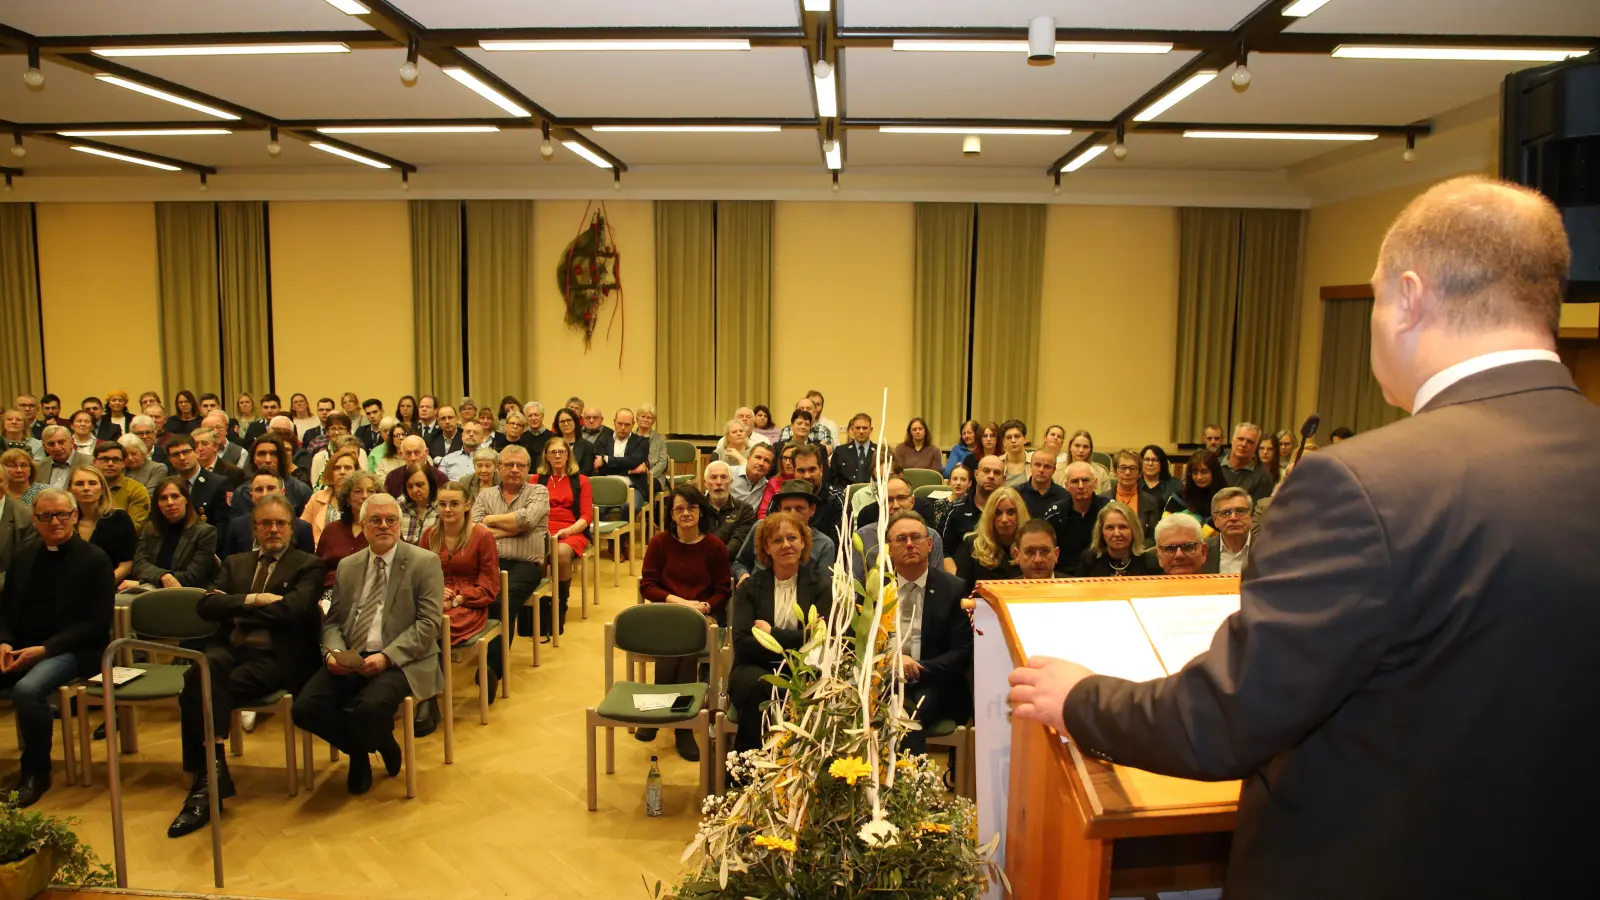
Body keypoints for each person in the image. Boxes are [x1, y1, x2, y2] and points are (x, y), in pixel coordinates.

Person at [166, 492, 325, 837]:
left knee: (199, 690)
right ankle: (214, 769)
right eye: (265, 523)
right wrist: (254, 598)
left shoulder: (307, 565)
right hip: (231, 648)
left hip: (276, 657)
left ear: (292, 528)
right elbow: (206, 606)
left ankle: (204, 785)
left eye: (280, 523)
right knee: (200, 675)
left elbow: (292, 611)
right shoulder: (236, 563)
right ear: (255, 527)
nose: (273, 530)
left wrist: (234, 605)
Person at [292, 492, 443, 796]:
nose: (384, 526)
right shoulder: (349, 566)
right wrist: (332, 653)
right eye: (375, 520)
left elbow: (428, 625)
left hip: (402, 658)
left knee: (368, 710)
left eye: (391, 520)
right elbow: (333, 621)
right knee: (304, 708)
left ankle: (368, 752)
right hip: (353, 654)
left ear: (400, 524)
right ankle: (366, 747)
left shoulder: (424, 562)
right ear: (363, 525)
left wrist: (387, 657)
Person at [0, 488, 114, 806]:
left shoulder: (95, 559)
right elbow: (5, 610)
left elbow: (95, 623)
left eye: (62, 514)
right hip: (22, 646)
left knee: (27, 691)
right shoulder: (24, 557)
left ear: (75, 516)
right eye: (45, 516)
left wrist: (45, 649)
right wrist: (4, 641)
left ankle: (36, 773)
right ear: (34, 520)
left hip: (74, 651)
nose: (54, 521)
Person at [637, 482, 731, 762]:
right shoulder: (659, 543)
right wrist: (682, 604)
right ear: (672, 514)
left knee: (686, 644)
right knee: (675, 642)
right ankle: (682, 726)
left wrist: (703, 607)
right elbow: (648, 586)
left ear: (700, 512)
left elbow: (723, 590)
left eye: (691, 508)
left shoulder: (714, 546)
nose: (685, 513)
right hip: (667, 614)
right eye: (679, 509)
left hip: (702, 617)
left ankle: (664, 719)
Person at [727, 510, 832, 753]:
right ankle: (748, 771)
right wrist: (799, 638)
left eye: (792, 538)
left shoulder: (820, 585)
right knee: (758, 688)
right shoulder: (750, 587)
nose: (786, 545)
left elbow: (820, 639)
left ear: (803, 542)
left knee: (811, 689)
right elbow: (743, 644)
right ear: (766, 547)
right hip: (755, 668)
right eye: (777, 540)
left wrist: (771, 633)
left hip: (806, 668)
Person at [883, 511, 972, 752]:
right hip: (883, 679)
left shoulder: (954, 589)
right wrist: (892, 662)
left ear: (930, 544)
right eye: (900, 539)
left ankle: (904, 784)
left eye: (916, 537)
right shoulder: (875, 591)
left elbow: (962, 652)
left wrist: (917, 668)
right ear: (889, 549)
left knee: (904, 717)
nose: (909, 544)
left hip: (935, 681)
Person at [421, 483, 502, 693]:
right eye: (442, 504)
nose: (447, 510)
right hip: (433, 600)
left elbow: (490, 585)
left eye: (454, 504)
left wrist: (457, 599)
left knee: (431, 627)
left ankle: (429, 695)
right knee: (405, 623)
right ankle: (417, 692)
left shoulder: (482, 537)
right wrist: (435, 595)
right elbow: (418, 575)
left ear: (467, 505)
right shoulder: (429, 535)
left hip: (469, 605)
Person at [471, 444, 548, 655]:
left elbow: (528, 519)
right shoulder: (485, 495)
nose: (514, 469)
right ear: (498, 468)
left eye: (520, 465)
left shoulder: (539, 491)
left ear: (527, 469)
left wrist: (490, 520)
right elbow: (475, 529)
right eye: (509, 464)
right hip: (488, 562)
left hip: (526, 565)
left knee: (501, 603)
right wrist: (515, 530)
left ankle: (492, 668)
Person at [532, 438, 591, 638]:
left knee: (560, 553)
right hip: (540, 530)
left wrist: (570, 530)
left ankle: (560, 602)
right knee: (533, 555)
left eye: (561, 452)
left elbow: (586, 516)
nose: (557, 456)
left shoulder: (581, 480)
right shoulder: (535, 480)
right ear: (546, 456)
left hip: (571, 531)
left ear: (568, 455)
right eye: (553, 452)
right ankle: (537, 605)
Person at [123, 477, 219, 591]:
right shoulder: (150, 528)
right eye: (163, 498)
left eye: (175, 496)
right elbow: (139, 564)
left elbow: (192, 576)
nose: (170, 503)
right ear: (157, 504)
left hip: (189, 593)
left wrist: (149, 582)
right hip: (151, 592)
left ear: (186, 499)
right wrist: (164, 576)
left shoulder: (205, 532)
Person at [733, 481, 836, 584]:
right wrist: (744, 576)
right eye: (787, 509)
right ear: (779, 509)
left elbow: (823, 586)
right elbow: (739, 563)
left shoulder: (824, 544)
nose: (793, 514)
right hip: (757, 592)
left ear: (812, 509)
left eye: (799, 508)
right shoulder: (761, 528)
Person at [852, 474, 946, 585]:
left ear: (912, 501)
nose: (896, 505)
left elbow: (938, 583)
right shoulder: (863, 536)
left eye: (901, 498)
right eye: (889, 500)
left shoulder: (931, 536)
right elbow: (855, 584)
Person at [315, 472, 380, 606]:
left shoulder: (385, 530)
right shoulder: (332, 530)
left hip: (370, 595)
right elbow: (318, 570)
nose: (364, 496)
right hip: (331, 594)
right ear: (347, 498)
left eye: (371, 491)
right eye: (357, 491)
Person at [68, 465, 136, 583]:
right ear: (70, 490)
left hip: (112, 586)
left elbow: (127, 564)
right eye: (79, 484)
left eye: (92, 483)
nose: (86, 488)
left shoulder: (119, 519)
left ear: (102, 489)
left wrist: (102, 585)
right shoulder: (64, 521)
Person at [225, 470, 315, 559]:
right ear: (251, 495)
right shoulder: (237, 526)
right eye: (259, 490)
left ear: (282, 492)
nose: (265, 494)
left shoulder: (302, 528)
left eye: (271, 488)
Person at [950, 486, 1026, 592]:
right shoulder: (973, 545)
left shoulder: (1030, 547)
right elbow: (961, 593)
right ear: (990, 516)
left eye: (1011, 512)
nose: (1004, 519)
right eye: (998, 513)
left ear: (1020, 514)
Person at [763, 445, 842, 540]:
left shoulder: (836, 499)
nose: (807, 476)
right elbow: (769, 536)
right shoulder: (781, 498)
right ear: (794, 471)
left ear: (821, 469)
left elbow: (838, 545)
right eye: (801, 470)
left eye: (812, 469)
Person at [1045, 461, 1109, 572]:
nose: (1080, 486)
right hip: (1063, 576)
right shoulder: (1055, 513)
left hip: (1101, 574)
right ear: (1066, 485)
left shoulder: (1108, 510)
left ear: (1095, 482)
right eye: (1074, 481)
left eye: (1085, 480)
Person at [1075, 500, 1161, 578]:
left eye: (1123, 527)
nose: (1116, 533)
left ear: (1133, 530)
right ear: (1101, 531)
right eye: (1110, 528)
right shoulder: (1088, 560)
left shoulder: (1150, 562)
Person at [164, 434, 230, 529]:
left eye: (186, 452)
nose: (182, 458)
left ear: (196, 452)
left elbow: (223, 526)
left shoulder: (218, 484)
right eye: (175, 454)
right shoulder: (168, 485)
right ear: (170, 459)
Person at [942, 454, 1005, 552]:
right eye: (986, 471)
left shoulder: (1009, 512)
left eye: (997, 473)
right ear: (976, 475)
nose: (991, 476)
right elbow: (943, 551)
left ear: (1003, 479)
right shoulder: (954, 509)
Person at [594, 408, 649, 509]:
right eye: (619, 423)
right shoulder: (602, 440)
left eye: (627, 424)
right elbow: (602, 468)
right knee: (595, 509)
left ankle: (624, 525)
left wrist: (606, 459)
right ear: (614, 422)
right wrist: (629, 471)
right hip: (607, 486)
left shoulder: (642, 442)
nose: (623, 428)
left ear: (633, 424)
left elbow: (633, 461)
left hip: (633, 486)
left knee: (630, 507)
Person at [1100, 449, 1161, 540]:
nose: (1127, 473)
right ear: (1115, 472)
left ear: (1139, 473)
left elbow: (1153, 538)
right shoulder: (1102, 500)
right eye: (1123, 468)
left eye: (1132, 468)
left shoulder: (1150, 501)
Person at [702, 461, 755, 563]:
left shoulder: (744, 510)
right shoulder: (697, 509)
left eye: (724, 477)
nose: (718, 482)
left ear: (731, 482)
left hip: (731, 565)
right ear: (705, 483)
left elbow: (736, 544)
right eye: (713, 477)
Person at [93, 440, 150, 533]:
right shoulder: (86, 487)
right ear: (95, 462)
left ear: (123, 463)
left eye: (116, 459)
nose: (110, 463)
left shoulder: (137, 490)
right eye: (105, 459)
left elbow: (134, 528)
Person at [1204, 487, 1254, 575]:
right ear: (1215, 520)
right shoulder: (1202, 551)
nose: (1233, 518)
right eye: (1226, 513)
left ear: (1251, 516)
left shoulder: (1267, 549)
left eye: (1240, 511)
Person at [1221, 423, 1274, 503]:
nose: (1244, 444)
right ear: (1232, 440)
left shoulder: (1263, 477)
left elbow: (1255, 512)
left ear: (1256, 446)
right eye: (1240, 439)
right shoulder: (1215, 464)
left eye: (1250, 442)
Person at [382, 435, 447, 500]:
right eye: (408, 453)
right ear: (401, 454)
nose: (413, 458)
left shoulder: (440, 477)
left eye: (417, 453)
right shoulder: (392, 477)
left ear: (426, 452)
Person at [1179, 450, 1226, 531]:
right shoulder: (1180, 496)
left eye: (1204, 472)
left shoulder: (1226, 498)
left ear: (1214, 472)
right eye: (1194, 473)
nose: (1199, 477)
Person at [1017, 449, 1069, 519]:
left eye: (1047, 466)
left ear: (1054, 470)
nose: (1041, 470)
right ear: (1030, 466)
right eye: (1037, 465)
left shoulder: (1064, 497)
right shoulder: (1017, 493)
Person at [831, 413, 878, 488]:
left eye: (865, 428)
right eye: (858, 428)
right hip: (846, 495)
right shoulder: (840, 451)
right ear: (852, 429)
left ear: (871, 429)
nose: (861, 431)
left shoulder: (879, 452)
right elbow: (833, 479)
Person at [398, 463, 439, 545]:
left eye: (419, 485)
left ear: (430, 483)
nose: (414, 490)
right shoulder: (399, 506)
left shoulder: (442, 506)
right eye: (410, 486)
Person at [38, 425, 91, 489]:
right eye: (51, 444)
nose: (57, 448)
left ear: (72, 442)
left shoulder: (89, 462)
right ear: (44, 447)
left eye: (61, 442)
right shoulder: (39, 467)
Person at [437, 420, 487, 484]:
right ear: (462, 436)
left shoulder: (490, 459)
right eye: (468, 432)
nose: (471, 434)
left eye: (476, 432)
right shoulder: (447, 459)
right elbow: (440, 483)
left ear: (482, 438)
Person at [549, 408, 595, 476]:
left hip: (577, 483)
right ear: (557, 424)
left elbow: (586, 472)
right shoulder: (551, 445)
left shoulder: (588, 446)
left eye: (569, 420)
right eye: (562, 421)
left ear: (575, 422)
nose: (566, 424)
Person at [729, 443, 774, 512]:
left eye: (766, 461)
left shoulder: (767, 487)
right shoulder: (729, 473)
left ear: (770, 467)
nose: (761, 463)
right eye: (758, 457)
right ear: (748, 458)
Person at [634, 403, 669, 492]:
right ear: (637, 418)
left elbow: (662, 462)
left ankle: (646, 505)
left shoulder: (659, 438)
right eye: (643, 416)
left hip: (654, 476)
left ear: (653, 421)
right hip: (634, 475)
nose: (645, 420)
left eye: (649, 417)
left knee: (647, 486)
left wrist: (649, 474)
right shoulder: (630, 437)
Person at [1138, 445, 1183, 509]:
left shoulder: (1175, 484)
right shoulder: (1134, 484)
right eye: (1146, 459)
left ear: (1162, 463)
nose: (1150, 463)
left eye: (1155, 460)